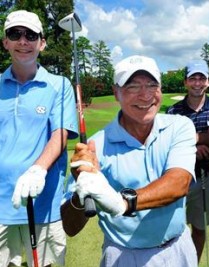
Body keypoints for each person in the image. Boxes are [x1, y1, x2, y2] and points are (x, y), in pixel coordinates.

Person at [61, 55, 198, 267]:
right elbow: (71, 227)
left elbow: (178, 183)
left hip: (178, 248)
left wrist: (122, 203)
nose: (145, 96)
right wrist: (82, 190)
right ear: (116, 92)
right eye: (133, 86)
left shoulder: (180, 126)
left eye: (152, 85)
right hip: (124, 256)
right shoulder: (97, 146)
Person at [0, 10, 78, 267]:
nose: (23, 41)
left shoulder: (60, 85)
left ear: (41, 43)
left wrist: (37, 169)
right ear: (5, 42)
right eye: (15, 34)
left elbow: (60, 134)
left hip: (44, 204)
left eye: (31, 35)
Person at [166, 60, 209, 263]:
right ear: (185, 82)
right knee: (171, 228)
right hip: (177, 178)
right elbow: (168, 146)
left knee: (199, 229)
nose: (197, 82)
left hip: (206, 177)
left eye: (202, 78)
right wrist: (194, 148)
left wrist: (184, 140)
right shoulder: (173, 112)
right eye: (193, 78)